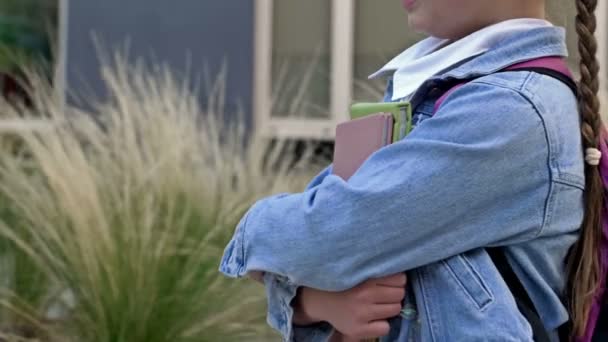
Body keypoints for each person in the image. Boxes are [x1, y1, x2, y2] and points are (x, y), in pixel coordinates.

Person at [220, 0, 608, 341]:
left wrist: (249, 231)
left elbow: (327, 236)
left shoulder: (510, 113)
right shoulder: (436, 90)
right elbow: (327, 249)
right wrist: (312, 303)